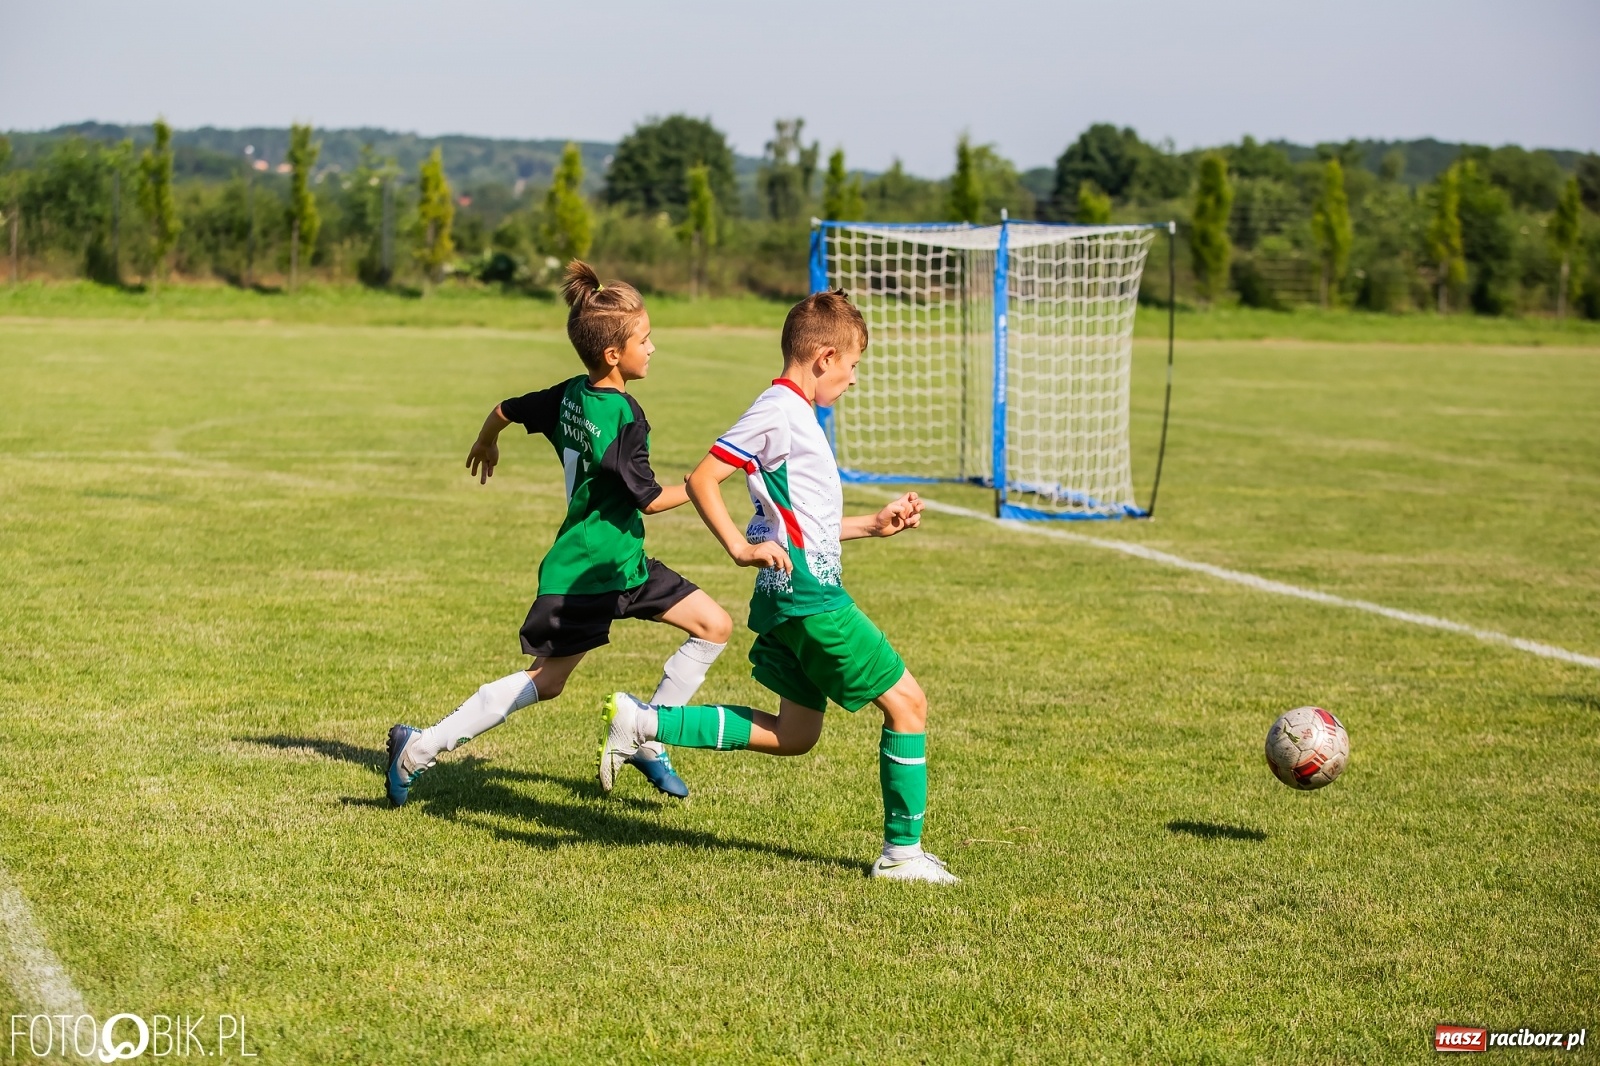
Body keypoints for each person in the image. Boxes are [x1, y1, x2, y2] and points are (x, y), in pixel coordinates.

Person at [596, 289, 957, 884]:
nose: (853, 378)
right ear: (823, 357)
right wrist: (739, 549)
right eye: (852, 365)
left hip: (789, 591)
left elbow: (799, 522)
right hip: (810, 596)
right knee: (908, 704)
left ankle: (645, 723)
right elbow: (703, 478)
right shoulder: (780, 410)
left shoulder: (795, 414)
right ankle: (902, 854)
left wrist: (872, 524)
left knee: (794, 735)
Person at [386, 261, 732, 807]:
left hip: (623, 562)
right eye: (645, 339)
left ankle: (647, 737)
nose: (653, 347)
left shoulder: (569, 394)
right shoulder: (624, 416)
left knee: (714, 625)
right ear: (613, 354)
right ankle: (419, 748)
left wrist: (487, 440)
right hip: (588, 574)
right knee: (545, 682)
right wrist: (707, 479)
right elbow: (650, 499)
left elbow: (505, 408)